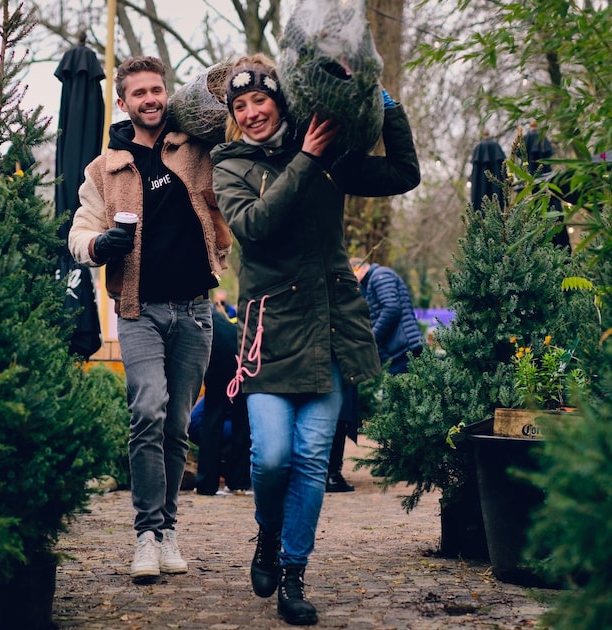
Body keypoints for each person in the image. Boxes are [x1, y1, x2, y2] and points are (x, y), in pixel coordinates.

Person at [211, 54, 420, 625]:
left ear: (280, 99)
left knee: (309, 461)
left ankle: (293, 576)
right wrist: (306, 158)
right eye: (241, 105)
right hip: (270, 331)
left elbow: (404, 174)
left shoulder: (329, 151)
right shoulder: (229, 163)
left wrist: (381, 99)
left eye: (261, 100)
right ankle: (267, 534)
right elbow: (253, 225)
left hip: (330, 325)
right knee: (271, 455)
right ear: (233, 115)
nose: (252, 112)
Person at [68, 55, 232, 584]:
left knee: (177, 423)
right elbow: (78, 233)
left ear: (168, 93)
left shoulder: (196, 149)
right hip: (138, 312)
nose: (150, 99)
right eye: (139, 93)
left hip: (196, 311)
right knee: (148, 409)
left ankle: (168, 531)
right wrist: (99, 244)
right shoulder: (104, 168)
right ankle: (145, 533)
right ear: (124, 102)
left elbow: (238, 127)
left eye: (157, 90)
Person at [324, 259, 426, 493]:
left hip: (403, 350)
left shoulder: (381, 277)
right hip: (397, 350)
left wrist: (369, 340)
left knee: (399, 408)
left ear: (358, 269)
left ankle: (403, 464)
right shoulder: (375, 281)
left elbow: (391, 309)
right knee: (396, 406)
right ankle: (397, 463)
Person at [195, 307, 251, 496]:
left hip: (219, 355)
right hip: (241, 356)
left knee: (212, 416)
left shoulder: (196, 311)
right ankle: (239, 482)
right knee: (242, 419)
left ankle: (206, 483)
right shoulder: (215, 314)